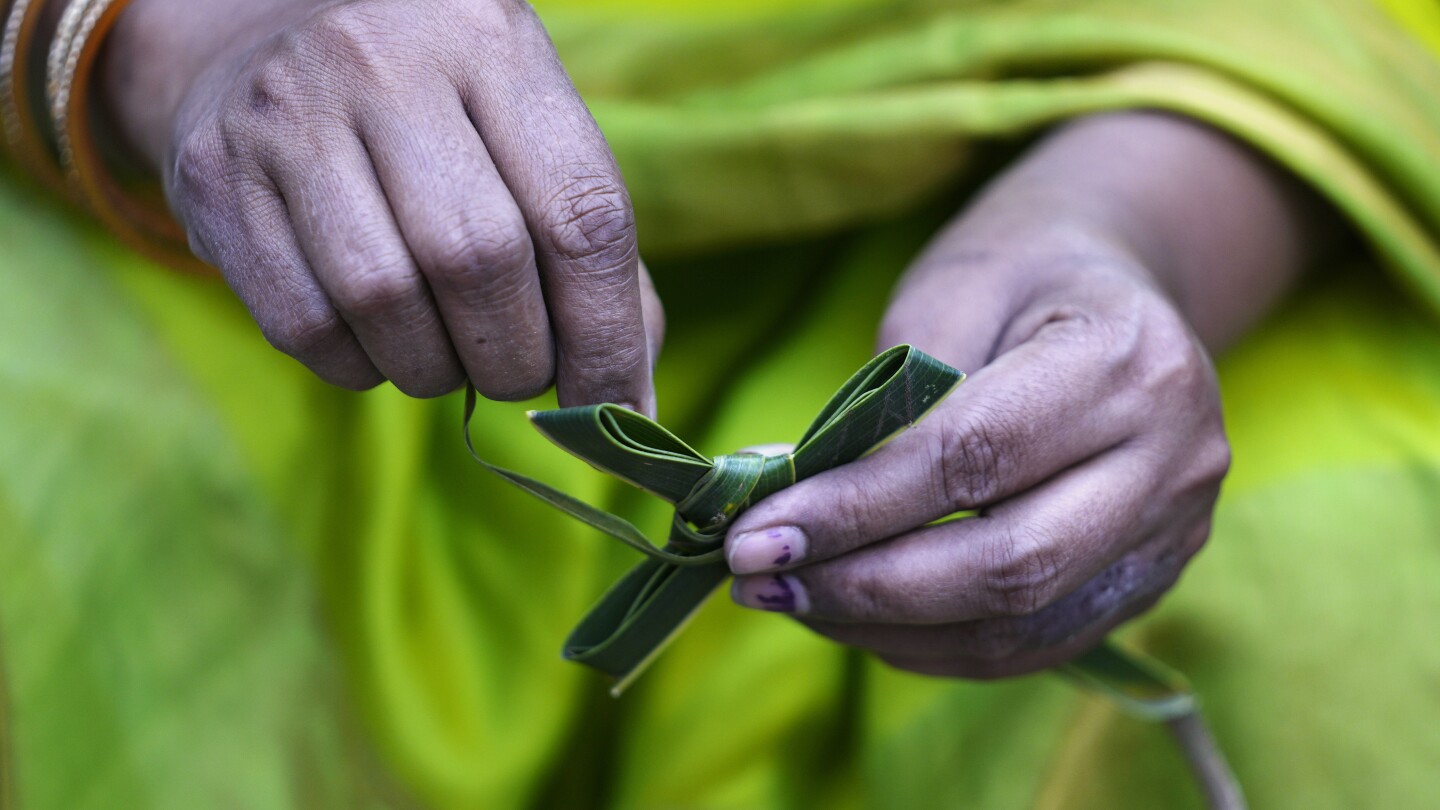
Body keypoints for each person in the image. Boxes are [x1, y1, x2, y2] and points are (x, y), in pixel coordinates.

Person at [2, 0, 1437, 807]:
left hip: (1096, 164)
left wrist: (1125, 224)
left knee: (1328, 591)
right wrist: (158, 38)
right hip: (204, 214)